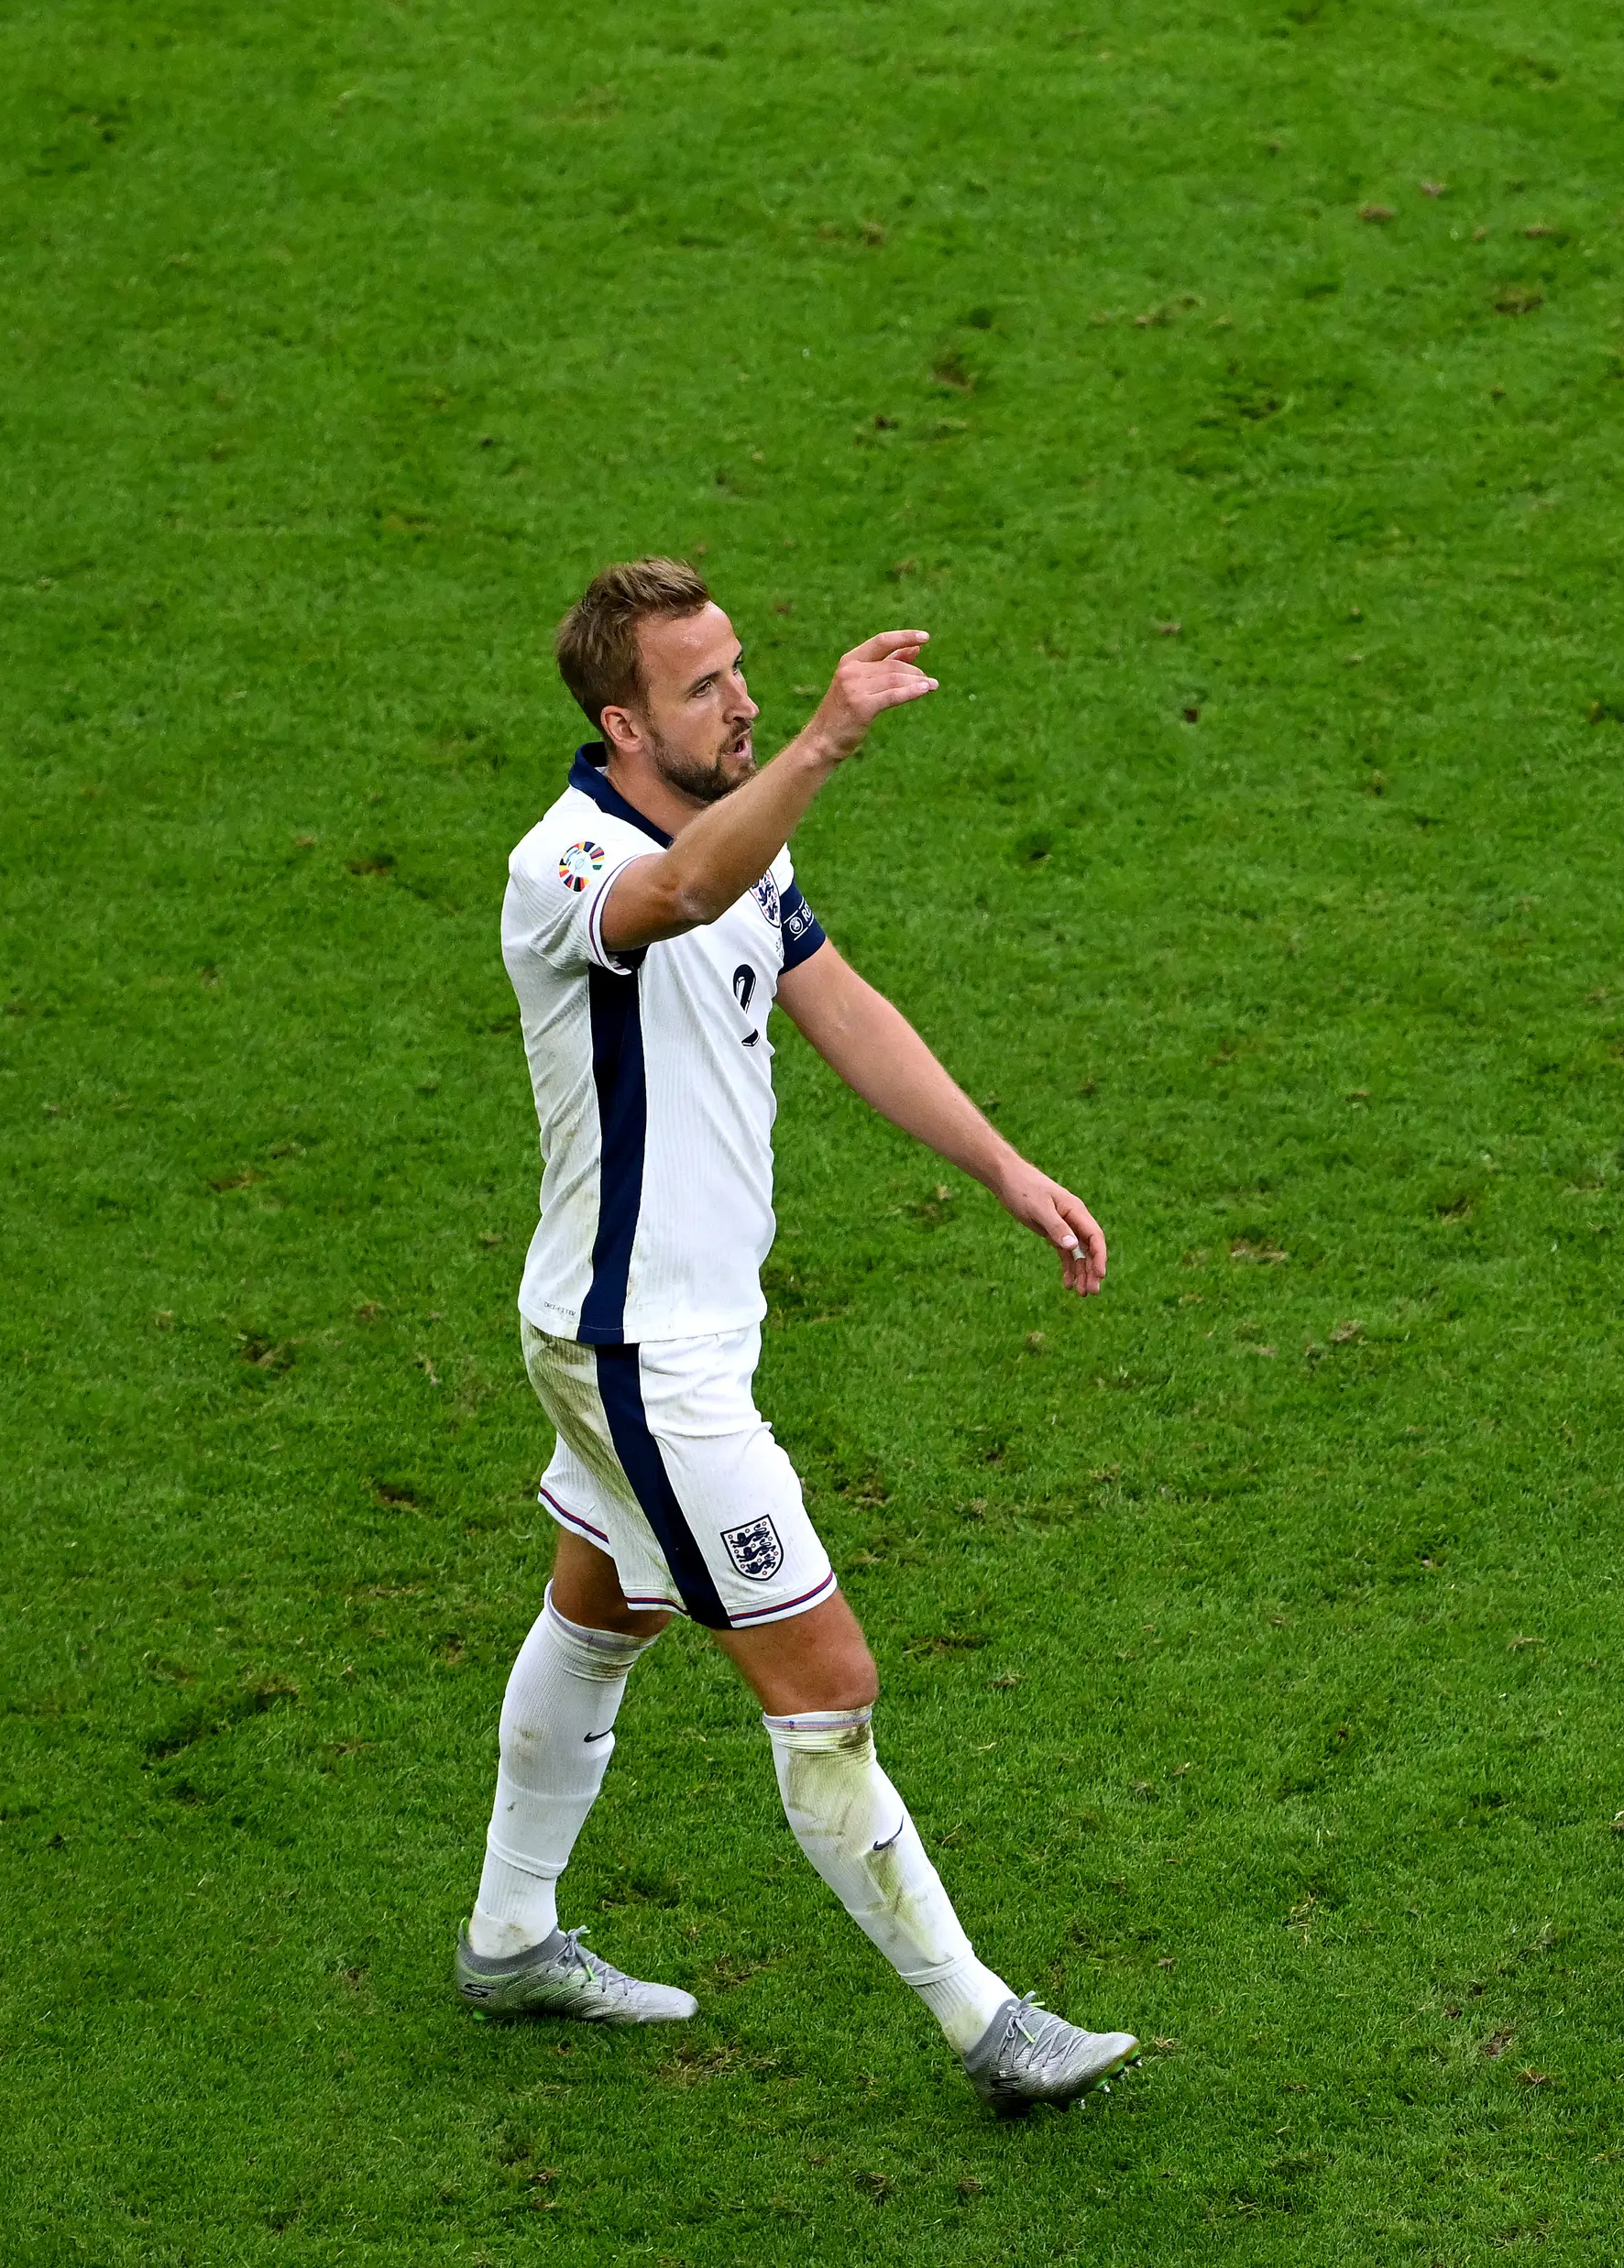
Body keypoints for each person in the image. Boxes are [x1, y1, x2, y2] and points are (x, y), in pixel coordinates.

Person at [458, 556, 1140, 2114]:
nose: (748, 702)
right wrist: (828, 744)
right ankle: (988, 2028)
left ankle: (508, 1938)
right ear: (622, 722)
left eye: (748, 670)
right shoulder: (563, 871)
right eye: (707, 688)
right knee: (825, 1678)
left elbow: (843, 1008)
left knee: (605, 1610)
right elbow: (681, 894)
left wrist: (1007, 1169)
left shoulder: (743, 841)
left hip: (660, 1337)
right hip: (642, 1357)